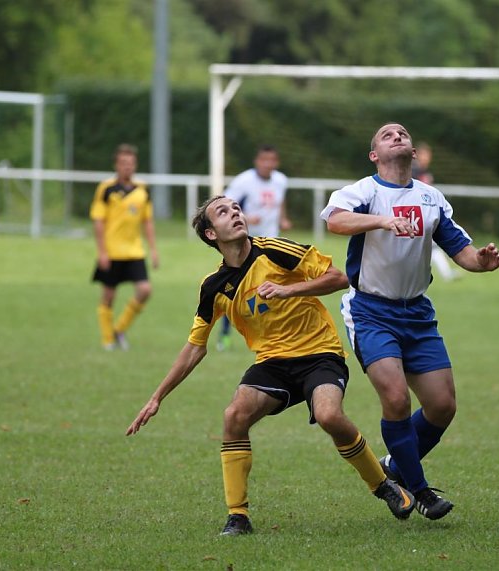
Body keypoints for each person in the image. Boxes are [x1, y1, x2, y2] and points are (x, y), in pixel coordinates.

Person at [125, 195, 415, 536]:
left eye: (236, 208)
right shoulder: (214, 287)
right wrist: (157, 397)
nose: (234, 213)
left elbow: (338, 279)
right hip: (273, 363)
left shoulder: (274, 250)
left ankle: (383, 486)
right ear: (210, 235)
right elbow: (194, 348)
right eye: (223, 212)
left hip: (319, 352)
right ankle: (238, 517)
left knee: (329, 416)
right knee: (234, 416)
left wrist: (287, 290)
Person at [320, 123, 499, 520]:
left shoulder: (431, 197)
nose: (397, 136)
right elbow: (334, 221)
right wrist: (381, 221)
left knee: (442, 406)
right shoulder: (364, 192)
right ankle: (419, 490)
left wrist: (481, 263)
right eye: (387, 135)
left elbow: (462, 250)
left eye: (403, 134)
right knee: (397, 399)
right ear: (374, 155)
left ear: (414, 151)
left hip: (417, 313)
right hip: (370, 310)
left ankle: (396, 466)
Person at [216, 145, 292, 351]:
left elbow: (280, 202)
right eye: (264, 160)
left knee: (274, 287)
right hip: (245, 244)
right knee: (234, 289)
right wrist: (246, 218)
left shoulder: (280, 180)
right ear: (257, 161)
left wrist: (283, 218)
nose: (268, 164)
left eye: (272, 160)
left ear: (276, 162)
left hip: (271, 244)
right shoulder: (244, 181)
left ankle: (274, 333)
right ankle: (224, 334)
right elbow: (223, 205)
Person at [90, 144, 159, 351]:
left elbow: (147, 221)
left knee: (145, 290)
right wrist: (102, 251)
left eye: (130, 163)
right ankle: (107, 339)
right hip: (112, 251)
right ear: (116, 165)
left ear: (135, 165)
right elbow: (98, 221)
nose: (127, 167)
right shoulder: (106, 189)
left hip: (134, 251)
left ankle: (119, 329)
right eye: (123, 163)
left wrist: (153, 249)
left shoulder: (142, 190)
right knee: (109, 296)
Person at [412, 142, 459, 282]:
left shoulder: (424, 172)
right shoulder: (413, 171)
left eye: (429, 155)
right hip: (415, 213)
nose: (427, 158)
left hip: (425, 212)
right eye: (425, 154)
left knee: (430, 245)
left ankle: (446, 274)